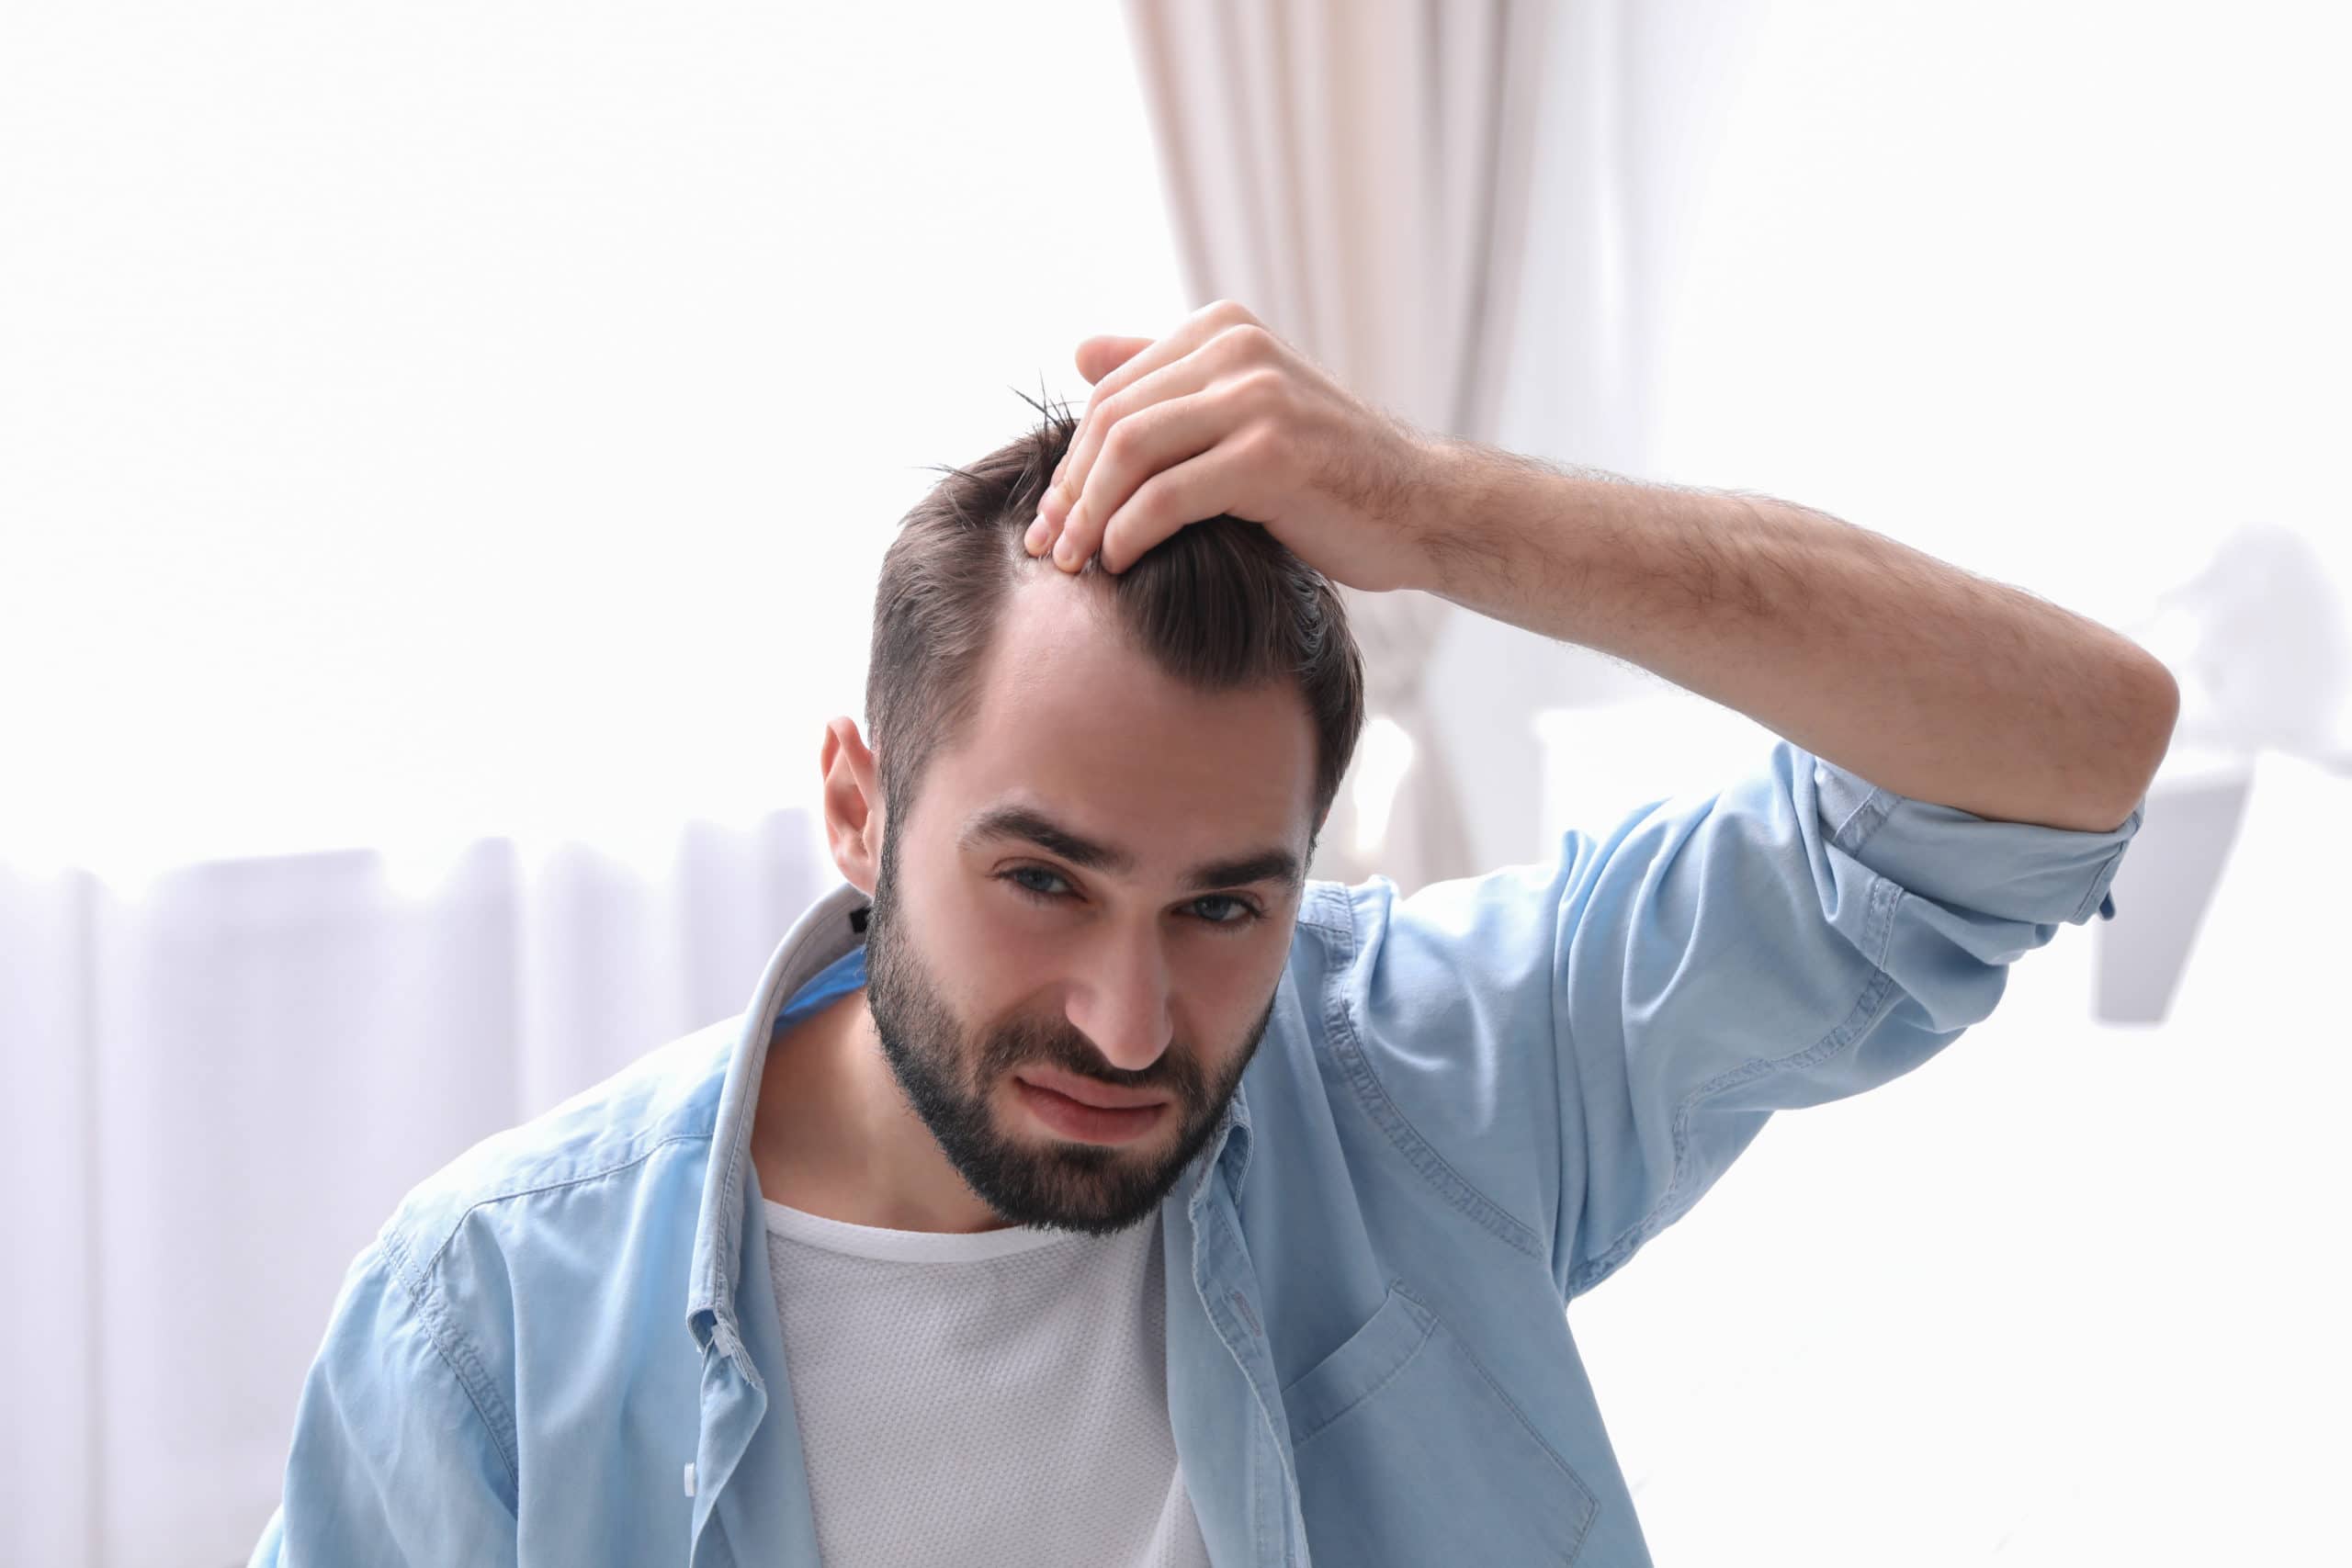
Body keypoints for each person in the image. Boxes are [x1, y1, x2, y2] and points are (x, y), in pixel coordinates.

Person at [248, 299, 2177, 1567]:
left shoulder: (1428, 1079)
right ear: (857, 802)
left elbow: (2058, 755)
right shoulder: (492, 1321)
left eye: (1222, 903)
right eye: (1040, 878)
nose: (1125, 1013)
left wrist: (1443, 515)